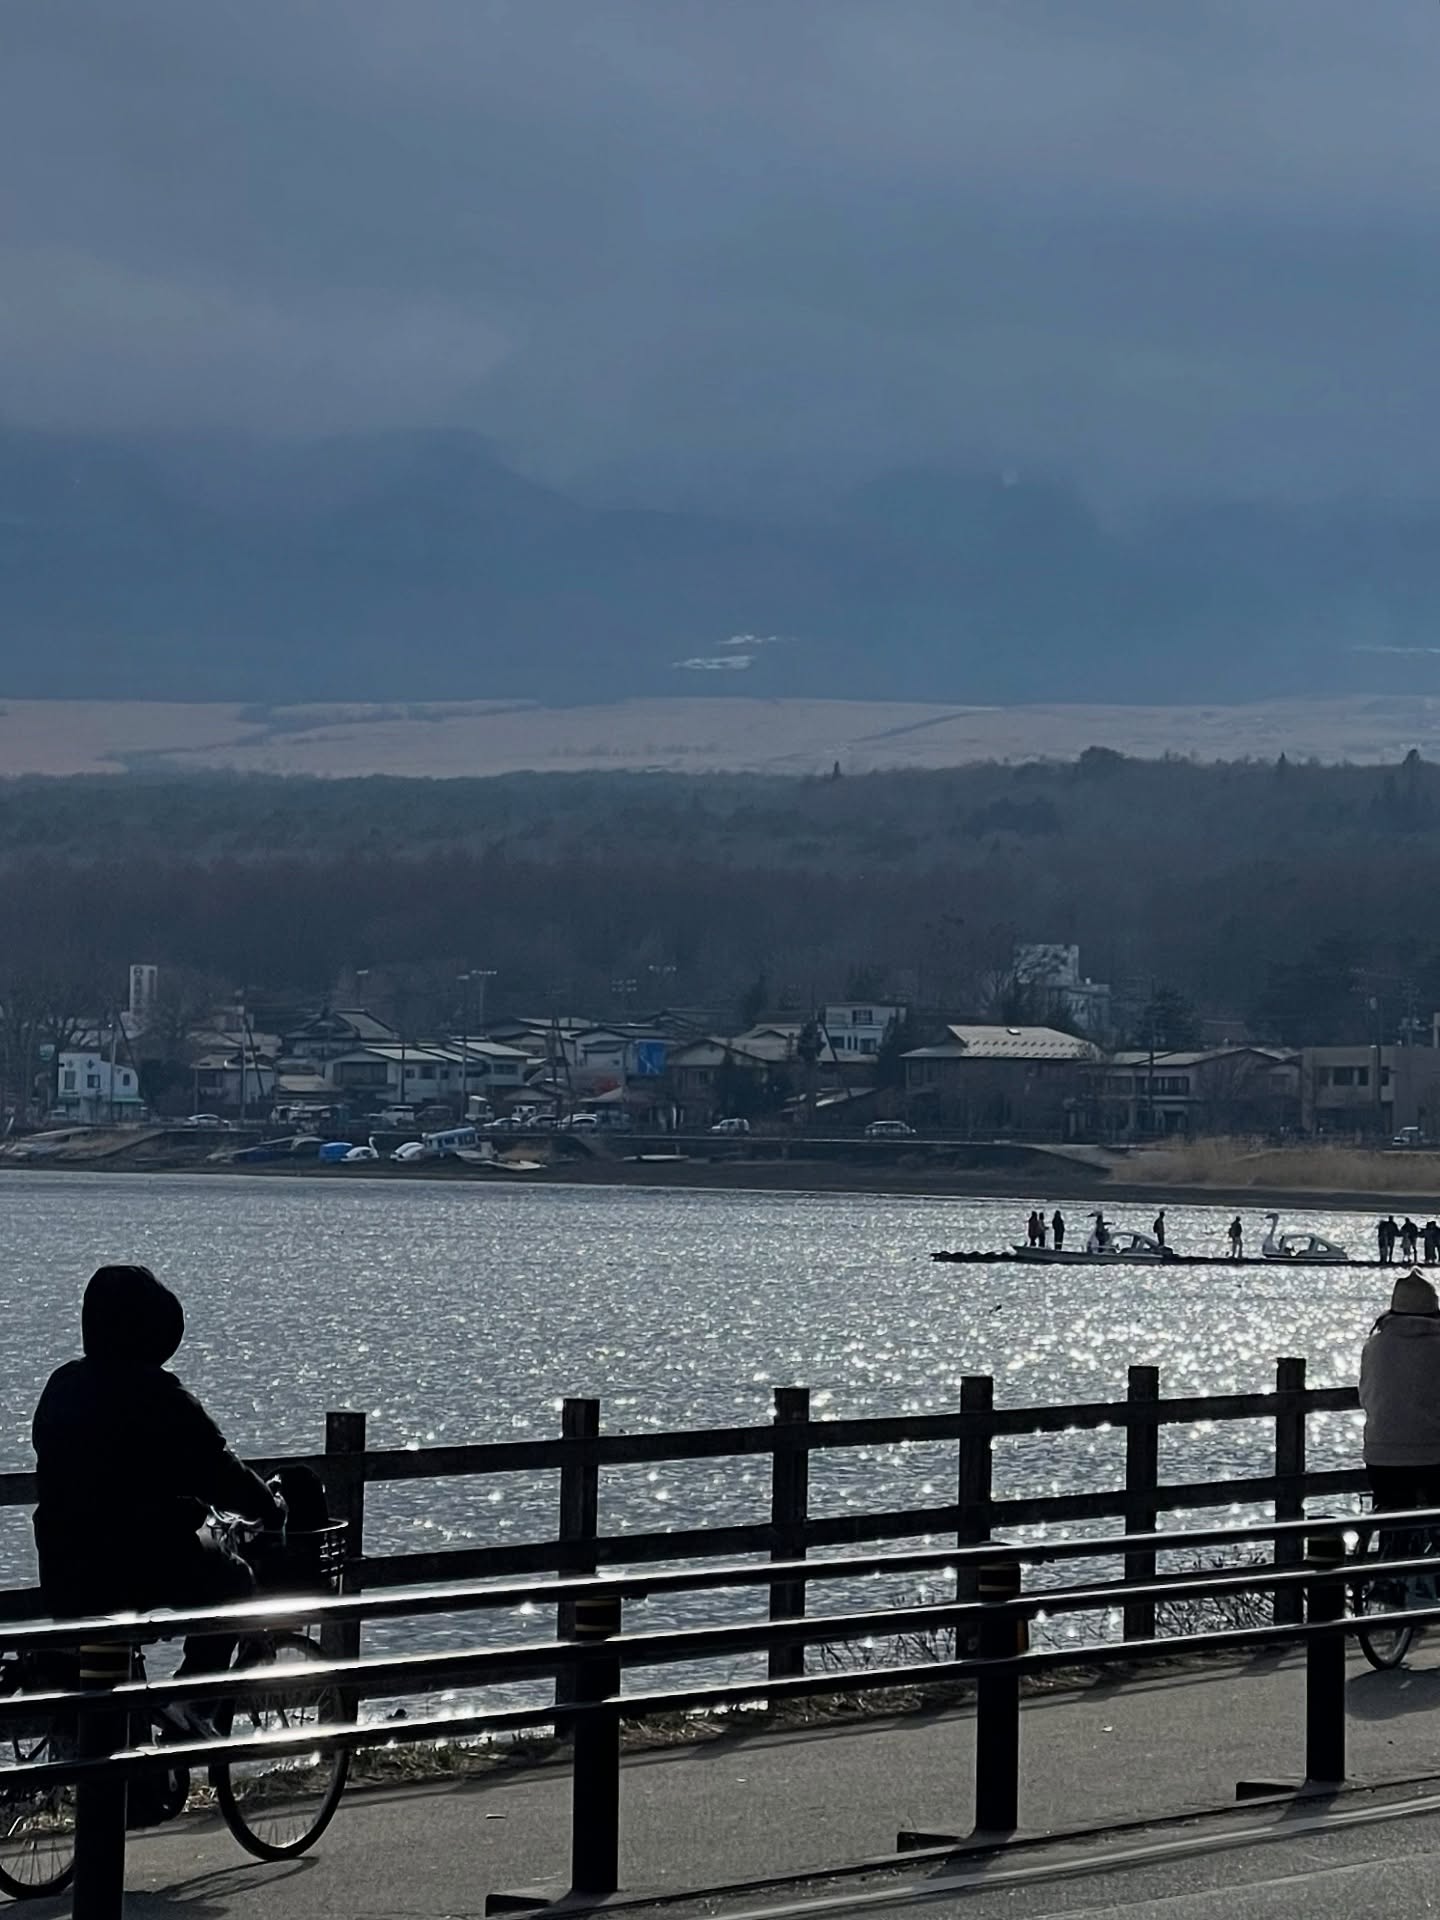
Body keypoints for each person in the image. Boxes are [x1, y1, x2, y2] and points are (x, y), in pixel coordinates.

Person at [31, 1265, 286, 1687]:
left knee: (103, 1671)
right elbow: (219, 1469)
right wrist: (270, 1508)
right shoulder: (159, 1397)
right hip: (136, 1563)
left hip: (63, 1569)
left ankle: (114, 1727)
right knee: (233, 1580)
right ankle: (190, 1700)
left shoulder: (63, 1386)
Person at [1359, 1270, 1440, 1516]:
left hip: (1381, 1455)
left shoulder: (1375, 1345)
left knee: (1391, 1518)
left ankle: (1390, 1550)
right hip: (1433, 1454)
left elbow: (1365, 1396)